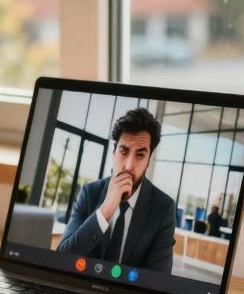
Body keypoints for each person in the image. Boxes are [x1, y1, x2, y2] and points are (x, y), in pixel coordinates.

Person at [55, 108, 176, 273]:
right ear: (113, 153)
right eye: (124, 151)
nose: (128, 165)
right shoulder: (89, 193)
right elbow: (61, 259)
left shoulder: (164, 208)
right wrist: (105, 210)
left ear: (149, 160)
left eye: (140, 155)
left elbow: (158, 281)